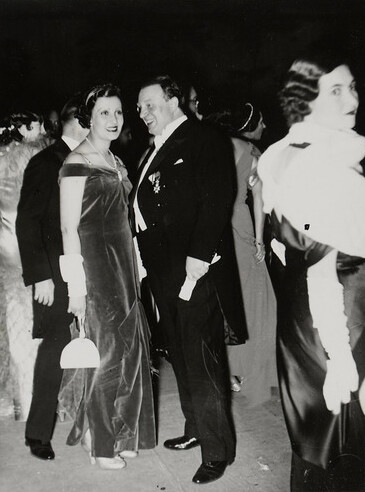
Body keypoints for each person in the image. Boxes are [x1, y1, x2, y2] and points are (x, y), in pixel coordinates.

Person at [132, 75, 246, 485]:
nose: (142, 113)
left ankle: (218, 452)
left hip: (195, 271)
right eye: (140, 107)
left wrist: (198, 259)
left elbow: (216, 201)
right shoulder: (153, 149)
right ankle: (197, 428)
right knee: (179, 355)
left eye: (150, 104)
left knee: (201, 360)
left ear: (174, 100)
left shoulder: (203, 138)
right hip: (163, 272)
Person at [258, 56, 365, 491]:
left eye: (353, 86)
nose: (352, 98)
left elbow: (286, 246)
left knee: (321, 442)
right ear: (305, 102)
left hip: (308, 323)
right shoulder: (322, 164)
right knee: (340, 444)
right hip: (339, 324)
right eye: (335, 91)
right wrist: (341, 357)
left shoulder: (287, 154)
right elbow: (321, 267)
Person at [58, 83, 155, 471]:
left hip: (124, 267)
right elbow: (68, 229)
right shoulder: (76, 162)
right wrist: (76, 288)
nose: (114, 120)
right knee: (107, 354)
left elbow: (125, 220)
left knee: (131, 349)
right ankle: (100, 443)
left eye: (118, 112)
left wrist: (138, 264)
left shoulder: (114, 160)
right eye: (104, 113)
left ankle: (122, 431)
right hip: (95, 267)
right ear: (89, 117)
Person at [16, 96, 89, 460]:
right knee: (55, 348)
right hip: (55, 274)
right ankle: (37, 434)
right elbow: (27, 222)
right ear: (77, 120)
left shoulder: (93, 158)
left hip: (90, 265)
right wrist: (40, 277)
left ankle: (92, 424)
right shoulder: (46, 161)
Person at [205, 108, 277, 403]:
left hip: (214, 228)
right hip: (242, 224)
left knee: (225, 299)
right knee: (255, 298)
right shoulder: (249, 151)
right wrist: (259, 239)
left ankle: (230, 370)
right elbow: (259, 197)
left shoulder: (211, 147)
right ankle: (253, 370)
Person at [0, 111, 48, 421]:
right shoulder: (31, 155)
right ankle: (32, 403)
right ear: (25, 128)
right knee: (30, 331)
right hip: (26, 254)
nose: (45, 130)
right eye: (40, 125)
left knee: (12, 329)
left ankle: (13, 400)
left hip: (5, 253)